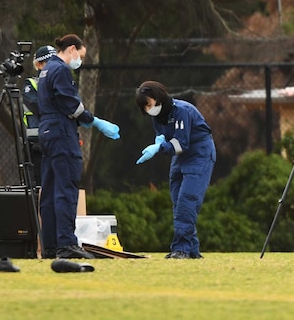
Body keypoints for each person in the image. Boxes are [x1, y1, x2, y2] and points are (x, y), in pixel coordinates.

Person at [38, 33, 121, 259]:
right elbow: (71, 105)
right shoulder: (61, 69)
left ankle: (51, 246)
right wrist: (94, 121)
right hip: (62, 133)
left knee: (50, 190)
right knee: (66, 190)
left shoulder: (45, 71)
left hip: (46, 132)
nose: (79, 62)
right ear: (72, 49)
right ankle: (66, 244)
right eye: (81, 56)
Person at [134, 80, 216, 259]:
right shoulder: (158, 116)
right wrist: (158, 143)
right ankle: (191, 249)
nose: (148, 110)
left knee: (188, 200)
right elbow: (162, 136)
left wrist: (160, 148)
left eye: (148, 104)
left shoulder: (181, 111)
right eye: (144, 107)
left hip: (198, 152)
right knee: (178, 202)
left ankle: (182, 248)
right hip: (180, 157)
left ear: (157, 98)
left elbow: (181, 144)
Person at [22, 45, 56, 186]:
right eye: (48, 62)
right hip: (37, 143)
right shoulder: (31, 85)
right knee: (40, 185)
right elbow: (38, 106)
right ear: (38, 65)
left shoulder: (60, 83)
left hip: (58, 141)